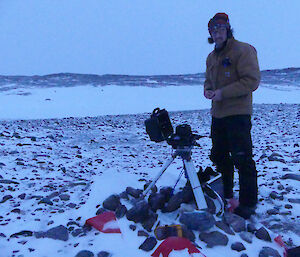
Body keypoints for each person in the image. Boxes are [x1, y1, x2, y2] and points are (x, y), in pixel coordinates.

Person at [204, 13, 261, 219]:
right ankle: (226, 194)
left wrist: (222, 93)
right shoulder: (212, 57)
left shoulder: (243, 50)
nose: (217, 33)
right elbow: (208, 81)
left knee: (242, 158)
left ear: (228, 29)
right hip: (218, 115)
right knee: (219, 156)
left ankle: (248, 204)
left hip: (237, 114)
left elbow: (251, 80)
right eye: (213, 30)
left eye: (220, 29)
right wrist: (208, 90)